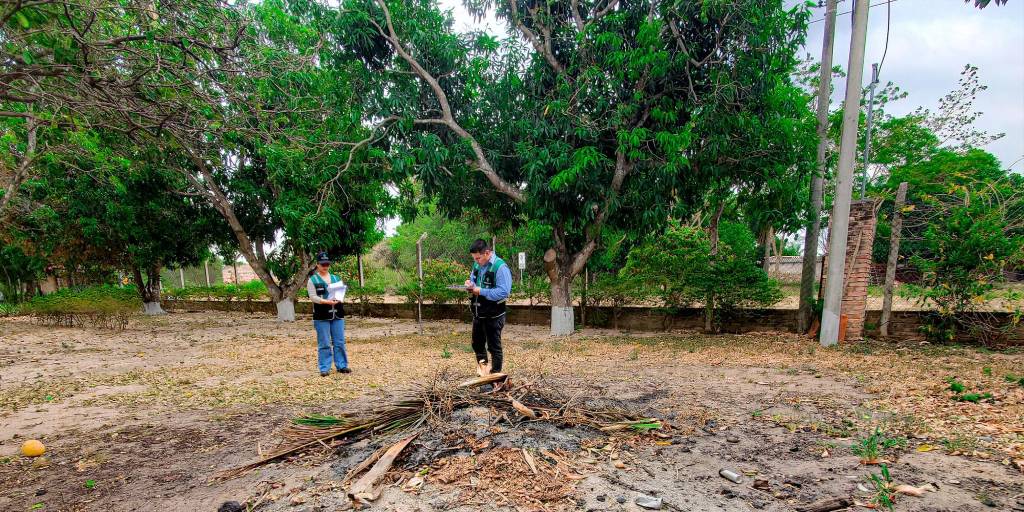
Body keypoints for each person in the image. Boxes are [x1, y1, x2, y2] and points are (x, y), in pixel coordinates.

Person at [464, 239, 512, 377]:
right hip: (479, 314)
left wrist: (481, 291)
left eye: (478, 258)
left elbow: (504, 292)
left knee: (493, 347)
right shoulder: (477, 264)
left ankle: (495, 377)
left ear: (487, 253)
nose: (476, 261)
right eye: (474, 259)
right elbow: (473, 280)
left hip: (494, 315)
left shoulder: (500, 267)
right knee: (477, 345)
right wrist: (469, 284)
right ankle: (484, 375)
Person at [307, 251, 350, 377]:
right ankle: (324, 368)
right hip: (321, 315)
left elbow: (341, 293)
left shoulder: (336, 278)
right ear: (317, 265)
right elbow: (313, 297)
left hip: (337, 314)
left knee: (339, 341)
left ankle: (342, 365)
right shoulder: (312, 280)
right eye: (322, 264)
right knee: (324, 342)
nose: (325, 266)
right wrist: (325, 301)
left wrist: (339, 298)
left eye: (327, 264)